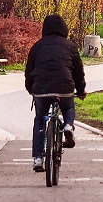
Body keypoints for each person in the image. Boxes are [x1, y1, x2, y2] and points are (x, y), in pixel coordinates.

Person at [24, 13, 86, 172]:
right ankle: (67, 126)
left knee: (39, 119)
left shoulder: (37, 47)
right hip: (65, 88)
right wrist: (80, 90)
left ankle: (38, 158)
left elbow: (29, 71)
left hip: (41, 90)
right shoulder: (71, 46)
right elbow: (78, 72)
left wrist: (31, 89)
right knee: (68, 107)